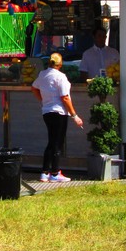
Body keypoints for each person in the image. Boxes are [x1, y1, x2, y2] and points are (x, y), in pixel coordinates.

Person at [31, 53, 83, 183]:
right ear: (60, 64)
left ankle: (44, 172)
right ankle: (54, 172)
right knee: (57, 143)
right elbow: (65, 97)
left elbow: (34, 88)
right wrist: (74, 115)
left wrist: (43, 100)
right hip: (59, 112)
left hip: (47, 111)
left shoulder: (42, 74)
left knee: (51, 141)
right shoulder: (61, 77)